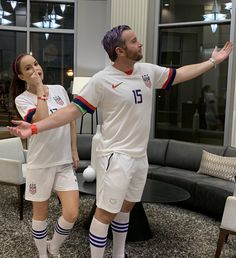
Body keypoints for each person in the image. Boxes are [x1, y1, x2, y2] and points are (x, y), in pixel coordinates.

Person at [8, 25, 233, 258]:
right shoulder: (102, 80)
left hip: (139, 157)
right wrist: (34, 127)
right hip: (115, 156)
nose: (140, 43)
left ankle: (118, 253)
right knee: (105, 213)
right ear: (120, 50)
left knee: (126, 208)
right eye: (134, 41)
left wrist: (213, 62)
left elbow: (179, 74)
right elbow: (73, 112)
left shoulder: (146, 71)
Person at [10, 54, 80, 258]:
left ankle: (54, 246)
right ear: (22, 77)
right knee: (41, 214)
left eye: (36, 64)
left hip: (64, 161)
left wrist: (74, 149)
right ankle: (42, 254)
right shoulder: (21, 99)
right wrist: (40, 89)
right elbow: (40, 121)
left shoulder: (59, 90)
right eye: (28, 68)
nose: (35, 70)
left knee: (72, 212)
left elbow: (71, 120)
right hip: (40, 163)